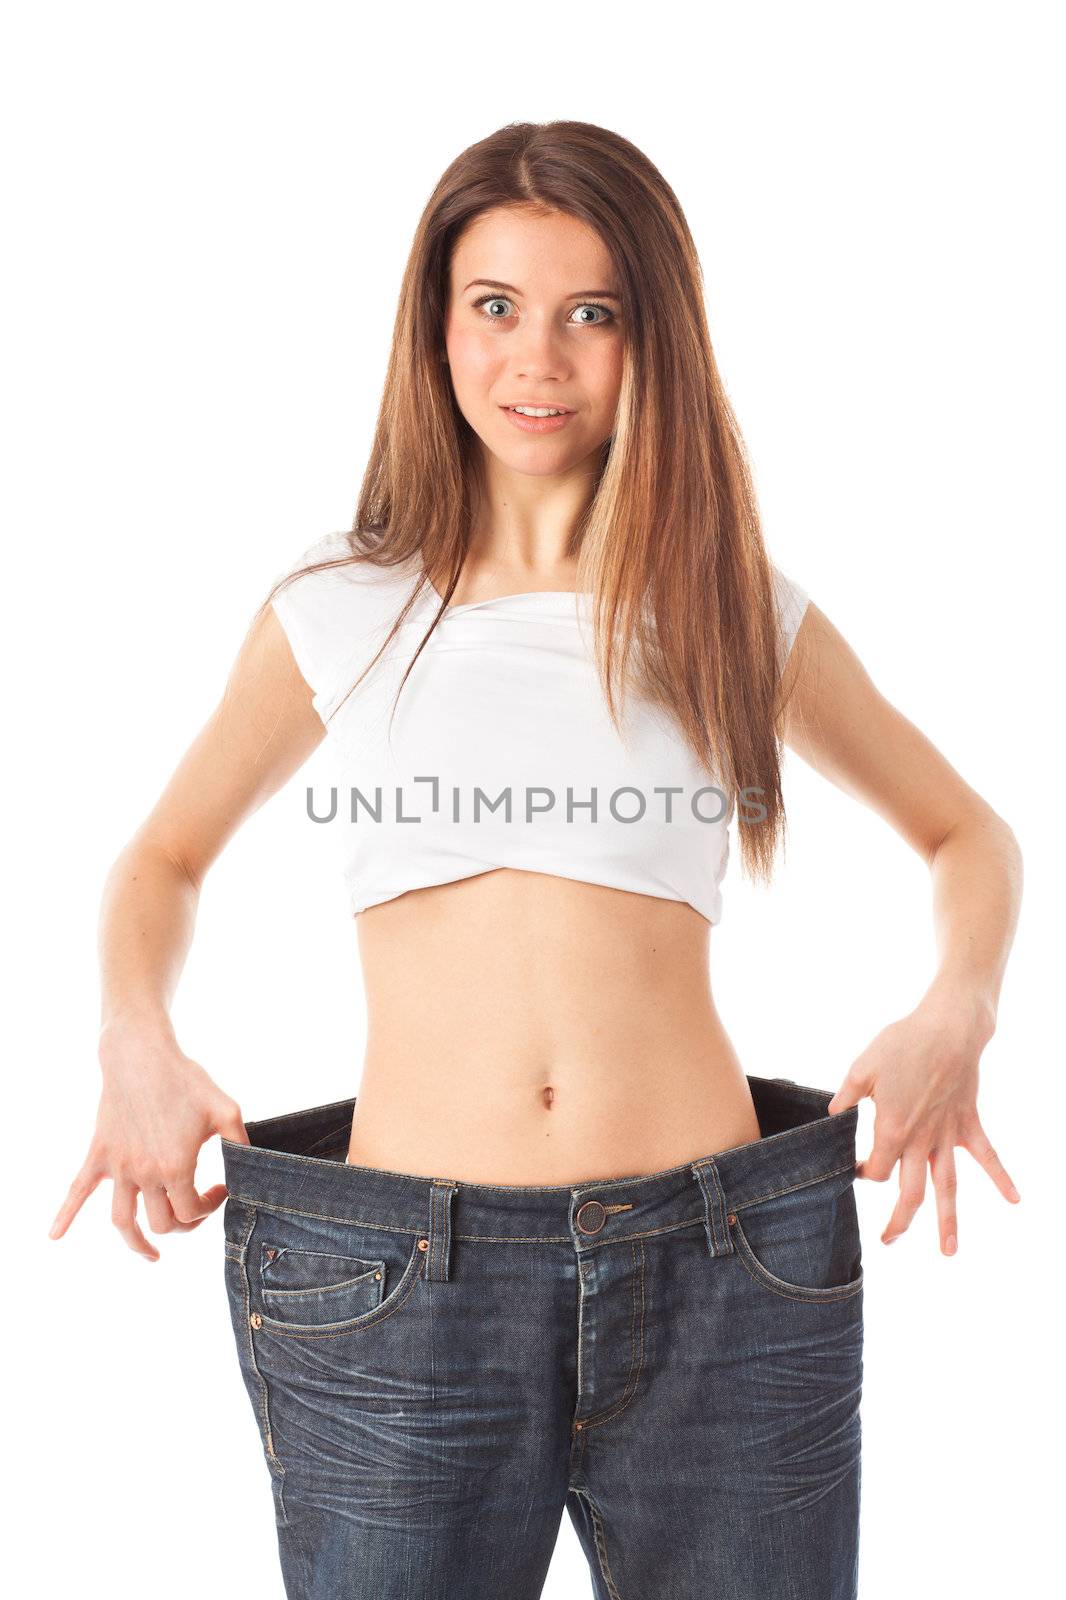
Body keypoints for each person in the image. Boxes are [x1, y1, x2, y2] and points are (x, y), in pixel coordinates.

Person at [48, 120, 1023, 1600]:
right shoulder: (341, 605)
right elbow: (161, 860)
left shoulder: (727, 611)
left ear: (652, 337)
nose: (538, 362)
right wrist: (134, 1042)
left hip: (722, 1269)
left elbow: (969, 835)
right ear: (436, 328)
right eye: (494, 306)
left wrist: (956, 1004)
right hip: (402, 1287)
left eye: (592, 313)